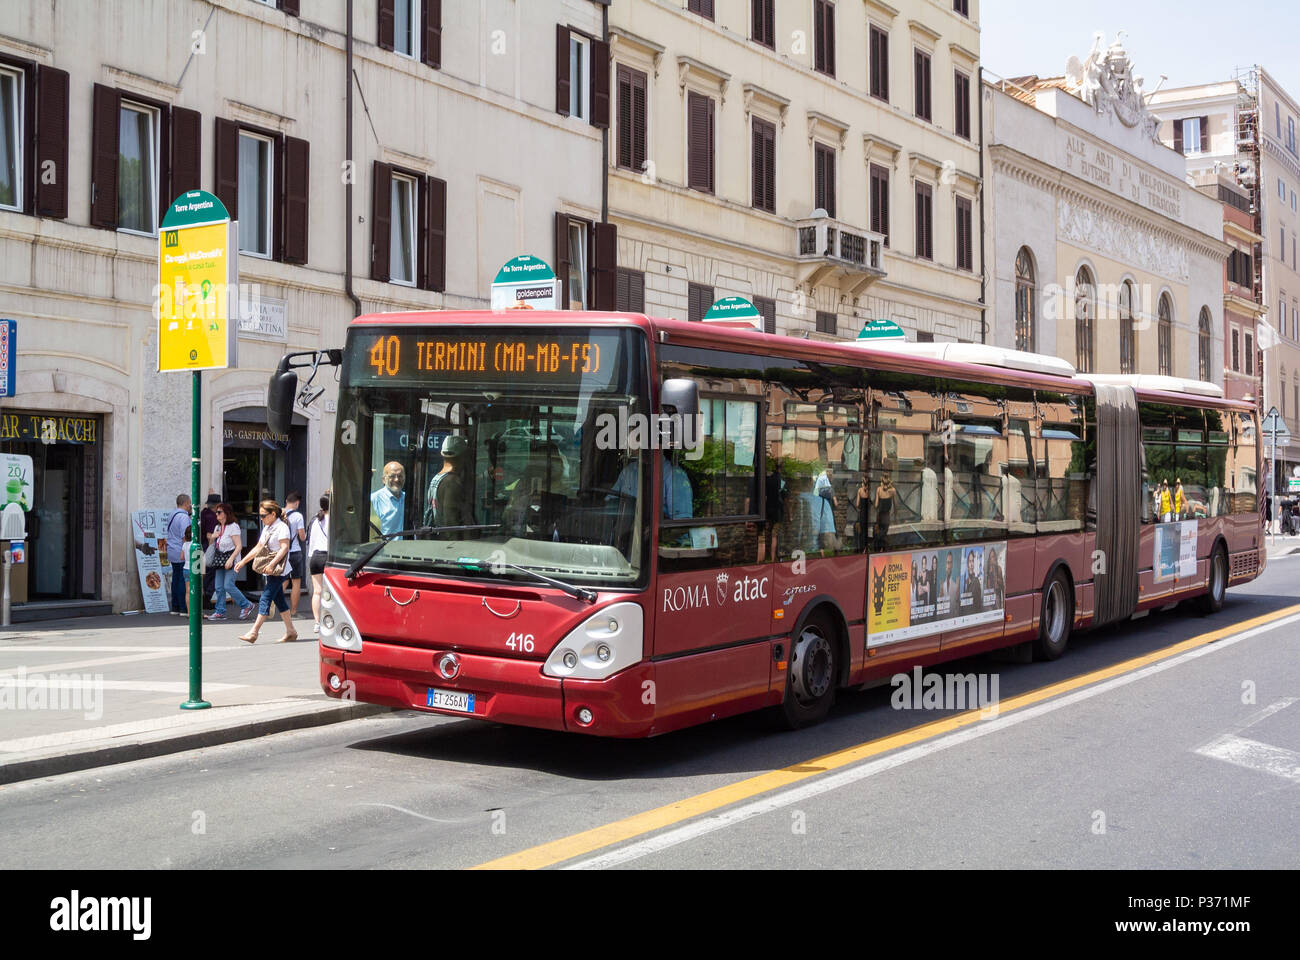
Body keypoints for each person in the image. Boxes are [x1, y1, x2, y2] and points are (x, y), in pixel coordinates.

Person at [234, 500, 297, 644]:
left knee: (265, 598)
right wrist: (243, 562)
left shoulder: (282, 527)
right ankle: (291, 631)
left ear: (273, 514)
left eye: (263, 515)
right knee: (279, 600)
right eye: (260, 516)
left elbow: (284, 548)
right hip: (270, 569)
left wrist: (273, 564)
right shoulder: (268, 528)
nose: (261, 519)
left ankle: (254, 632)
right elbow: (258, 547)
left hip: (279, 570)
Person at [205, 503, 253, 621]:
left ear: (226, 513)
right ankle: (220, 611)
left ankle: (246, 605)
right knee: (219, 587)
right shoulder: (217, 527)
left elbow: (239, 546)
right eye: (216, 512)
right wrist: (213, 537)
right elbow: (213, 546)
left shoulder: (233, 526)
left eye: (219, 512)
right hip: (220, 560)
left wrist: (231, 559)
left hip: (232, 560)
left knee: (228, 585)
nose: (217, 514)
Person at [611, 451, 693, 519]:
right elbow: (611, 503)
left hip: (661, 536)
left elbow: (681, 524)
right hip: (627, 533)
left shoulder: (675, 475)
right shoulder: (628, 471)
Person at [426, 435, 474, 531]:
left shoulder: (436, 479)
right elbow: (450, 524)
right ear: (463, 456)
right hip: (450, 544)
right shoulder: (452, 483)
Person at [165, 494, 192, 616]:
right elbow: (185, 536)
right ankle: (183, 607)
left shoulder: (172, 514)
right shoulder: (184, 517)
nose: (191, 505)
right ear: (186, 503)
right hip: (179, 551)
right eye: (190, 503)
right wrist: (186, 552)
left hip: (171, 550)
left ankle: (175, 607)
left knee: (175, 579)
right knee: (182, 580)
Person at [307, 493, 330, 636]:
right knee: (330, 592)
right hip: (329, 556)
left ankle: (317, 622)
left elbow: (311, 541)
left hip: (315, 557)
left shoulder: (315, 520)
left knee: (317, 591)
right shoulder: (334, 520)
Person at [283, 491, 307, 619]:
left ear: (286, 501)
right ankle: (293, 612)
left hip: (282, 552)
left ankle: (272, 602)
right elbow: (302, 537)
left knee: (283, 579)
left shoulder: (279, 513)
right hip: (295, 552)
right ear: (297, 503)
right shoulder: (297, 516)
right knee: (296, 582)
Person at [370, 462, 406, 536]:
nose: (396, 479)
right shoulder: (374, 500)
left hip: (409, 546)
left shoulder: (409, 499)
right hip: (384, 546)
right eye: (392, 476)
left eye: (400, 476)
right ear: (383, 479)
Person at [200, 492, 221, 610]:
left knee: (204, 574)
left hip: (201, 545)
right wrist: (211, 549)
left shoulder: (204, 513)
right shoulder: (212, 516)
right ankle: (206, 598)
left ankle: (204, 598)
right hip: (208, 546)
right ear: (217, 505)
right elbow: (209, 535)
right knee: (211, 573)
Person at [872, 466, 895, 552]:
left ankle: (880, 550)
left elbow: (876, 505)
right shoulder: (893, 490)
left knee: (878, 535)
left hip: (879, 516)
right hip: (886, 517)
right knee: (883, 534)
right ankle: (883, 549)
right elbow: (895, 506)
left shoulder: (878, 489)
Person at [962, 549, 984, 614]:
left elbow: (978, 605)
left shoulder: (976, 581)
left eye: (972, 561)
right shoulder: (966, 581)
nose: (971, 564)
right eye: (969, 561)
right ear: (967, 564)